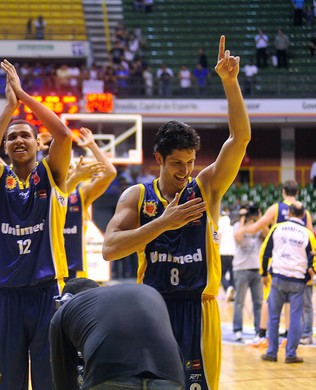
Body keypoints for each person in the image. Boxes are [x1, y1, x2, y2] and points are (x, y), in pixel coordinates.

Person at [102, 36, 250, 390]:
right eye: (176, 164)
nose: (184, 170)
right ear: (159, 160)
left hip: (199, 308)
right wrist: (163, 223)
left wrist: (230, 83)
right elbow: (110, 248)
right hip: (152, 310)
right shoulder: (137, 196)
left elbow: (240, 139)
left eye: (189, 162)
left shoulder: (207, 187)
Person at [0, 59, 72, 390]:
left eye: (25, 135)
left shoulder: (52, 174)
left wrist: (23, 96)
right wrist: (8, 108)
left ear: (37, 143)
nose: (18, 140)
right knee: (5, 381)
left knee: (51, 379)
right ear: (5, 146)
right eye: (12, 137)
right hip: (6, 295)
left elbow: (63, 134)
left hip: (47, 292)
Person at [49, 279, 185, 390]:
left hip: (111, 375)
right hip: (170, 375)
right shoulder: (144, 293)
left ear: (66, 300)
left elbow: (63, 380)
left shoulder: (65, 310)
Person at [243, 180, 313, 346]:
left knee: (269, 300)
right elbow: (311, 237)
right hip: (297, 265)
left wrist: (243, 229)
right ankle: (289, 338)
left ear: (283, 192)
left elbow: (257, 228)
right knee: (292, 304)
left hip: (278, 264)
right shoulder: (305, 212)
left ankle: (262, 335)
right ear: (297, 192)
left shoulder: (276, 208)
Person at [260, 202, 315, 363]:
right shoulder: (308, 234)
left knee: (274, 317)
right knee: (296, 317)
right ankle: (290, 354)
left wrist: (264, 273)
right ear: (303, 215)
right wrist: (311, 275)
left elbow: (265, 251)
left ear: (289, 213)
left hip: (278, 278)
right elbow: (314, 259)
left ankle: (271, 353)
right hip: (298, 282)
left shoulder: (277, 228)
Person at [64, 127, 117, 279]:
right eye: (63, 167)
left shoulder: (81, 194)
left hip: (74, 268)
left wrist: (92, 145)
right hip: (49, 268)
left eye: (70, 167)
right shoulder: (44, 193)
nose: (66, 171)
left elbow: (110, 173)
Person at [231, 205, 265, 342]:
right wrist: (243, 219)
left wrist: (260, 219)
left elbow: (266, 234)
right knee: (239, 302)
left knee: (258, 302)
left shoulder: (259, 226)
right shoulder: (238, 225)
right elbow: (238, 237)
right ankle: (238, 330)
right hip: (241, 269)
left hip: (256, 269)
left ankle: (259, 330)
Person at [218, 207, 236, 302]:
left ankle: (228, 288)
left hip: (223, 251)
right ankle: (232, 290)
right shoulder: (234, 222)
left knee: (222, 275)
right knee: (232, 274)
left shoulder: (222, 220)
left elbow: (219, 236)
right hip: (233, 251)